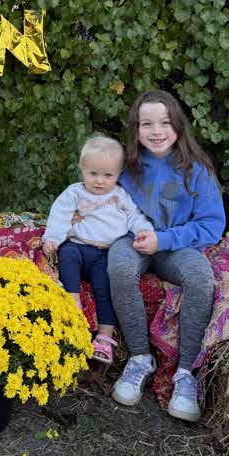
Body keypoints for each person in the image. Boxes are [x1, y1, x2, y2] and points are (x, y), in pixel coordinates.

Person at [108, 90, 225, 422]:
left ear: (178, 125)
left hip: (178, 246)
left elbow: (212, 224)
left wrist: (164, 239)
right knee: (119, 266)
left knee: (200, 277)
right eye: (147, 124)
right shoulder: (124, 166)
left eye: (165, 122)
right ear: (136, 129)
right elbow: (102, 201)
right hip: (132, 239)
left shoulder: (196, 169)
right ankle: (139, 358)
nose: (156, 131)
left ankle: (186, 373)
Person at [42, 135, 154, 365]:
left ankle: (104, 337)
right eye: (93, 174)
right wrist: (52, 238)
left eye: (108, 175)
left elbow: (135, 217)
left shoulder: (120, 196)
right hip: (78, 246)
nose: (100, 181)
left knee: (105, 288)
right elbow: (60, 216)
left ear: (119, 174)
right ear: (82, 169)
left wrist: (144, 231)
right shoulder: (75, 193)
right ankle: (73, 303)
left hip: (105, 254)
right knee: (67, 255)